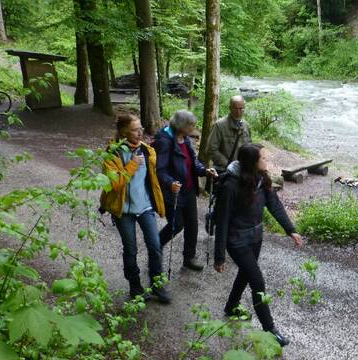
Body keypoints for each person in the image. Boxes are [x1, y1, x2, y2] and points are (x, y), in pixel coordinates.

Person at [213, 144, 303, 347]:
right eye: (264, 158)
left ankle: (231, 306)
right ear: (252, 161)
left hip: (255, 237)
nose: (267, 160)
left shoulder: (262, 178)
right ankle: (269, 329)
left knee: (245, 273)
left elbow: (274, 205)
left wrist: (291, 230)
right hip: (236, 240)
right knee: (257, 282)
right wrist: (219, 256)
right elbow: (223, 221)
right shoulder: (231, 186)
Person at [99, 114, 172, 303]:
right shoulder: (112, 153)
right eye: (134, 129)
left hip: (145, 206)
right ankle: (135, 286)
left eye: (141, 128)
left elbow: (153, 179)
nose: (140, 133)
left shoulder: (148, 151)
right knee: (131, 249)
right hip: (123, 211)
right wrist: (132, 165)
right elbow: (113, 183)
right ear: (123, 131)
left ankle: (157, 284)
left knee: (155, 246)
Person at [154, 110, 217, 271]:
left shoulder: (186, 140)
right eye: (191, 125)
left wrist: (205, 171)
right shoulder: (165, 142)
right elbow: (160, 170)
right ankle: (155, 247)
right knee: (177, 224)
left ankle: (189, 258)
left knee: (192, 224)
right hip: (173, 192)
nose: (194, 128)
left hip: (188, 190)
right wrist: (170, 183)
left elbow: (193, 163)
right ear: (182, 126)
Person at [206, 95, 252, 173]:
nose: (238, 112)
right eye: (235, 108)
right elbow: (211, 149)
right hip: (224, 171)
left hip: (242, 171)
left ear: (244, 108)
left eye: (241, 108)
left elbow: (250, 148)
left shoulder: (246, 126)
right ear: (230, 108)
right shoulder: (219, 125)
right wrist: (228, 164)